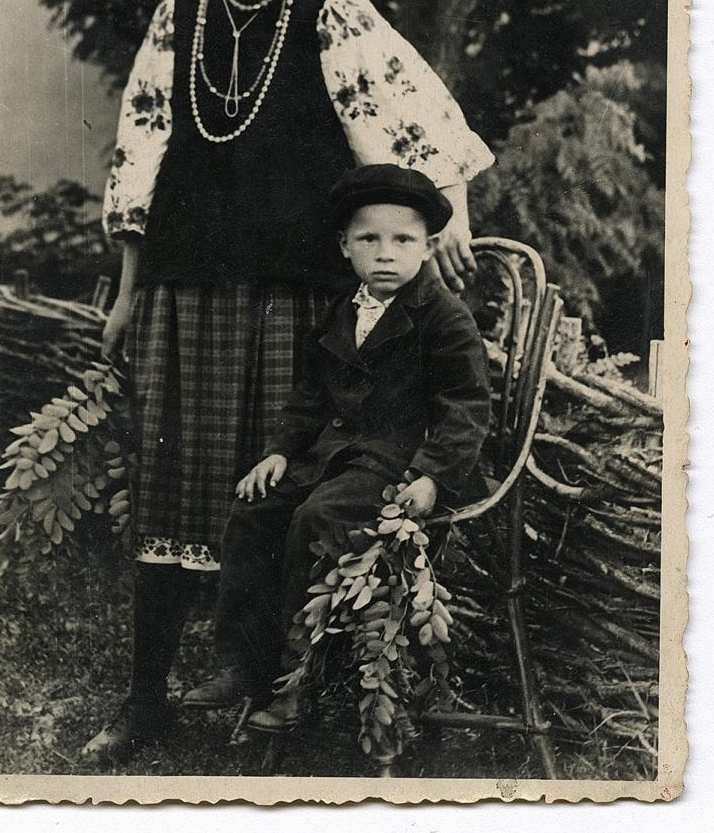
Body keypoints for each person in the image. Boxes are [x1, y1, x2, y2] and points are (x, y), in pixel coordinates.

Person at [83, 0, 494, 762]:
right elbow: (138, 157)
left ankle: (266, 685)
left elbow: (417, 111)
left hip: (294, 297)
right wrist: (126, 291)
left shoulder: (331, 11)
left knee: (275, 489)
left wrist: (449, 209)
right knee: (172, 490)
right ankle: (146, 697)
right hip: (187, 292)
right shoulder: (175, 16)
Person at [181, 164, 492, 731]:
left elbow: (465, 405)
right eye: (368, 239)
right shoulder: (342, 311)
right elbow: (309, 395)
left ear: (427, 249)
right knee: (254, 512)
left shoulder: (443, 317)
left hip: (396, 465)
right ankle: (243, 664)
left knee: (315, 520)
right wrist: (279, 450)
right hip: (332, 456)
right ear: (344, 247)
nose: (385, 253)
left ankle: (295, 679)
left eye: (403, 240)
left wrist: (432, 476)